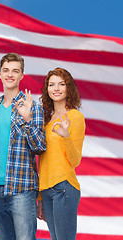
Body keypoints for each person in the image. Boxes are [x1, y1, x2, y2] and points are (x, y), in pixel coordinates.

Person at [0, 53, 46, 240]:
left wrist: (27, 119)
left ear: (21, 76)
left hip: (22, 188)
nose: (10, 75)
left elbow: (40, 147)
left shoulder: (33, 107)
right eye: (6, 70)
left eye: (15, 71)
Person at [37, 67, 85, 240]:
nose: (56, 88)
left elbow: (75, 160)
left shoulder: (75, 117)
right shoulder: (46, 120)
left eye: (61, 84)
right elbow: (43, 160)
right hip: (47, 189)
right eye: (52, 84)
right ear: (47, 89)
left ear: (68, 88)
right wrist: (40, 196)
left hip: (64, 188)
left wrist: (66, 137)